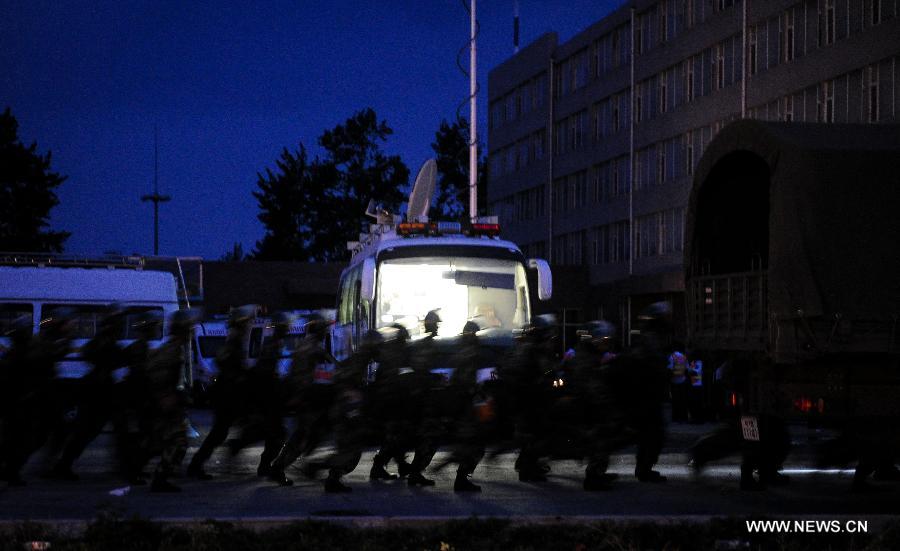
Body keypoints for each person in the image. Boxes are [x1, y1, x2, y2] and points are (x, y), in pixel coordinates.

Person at [51, 305, 129, 481]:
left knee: (89, 432)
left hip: (100, 392)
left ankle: (63, 465)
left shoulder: (102, 341)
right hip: (102, 393)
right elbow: (108, 362)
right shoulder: (106, 343)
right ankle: (63, 466)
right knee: (91, 432)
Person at [2, 309, 74, 486]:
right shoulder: (30, 351)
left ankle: (12, 470)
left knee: (20, 437)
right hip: (29, 400)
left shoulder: (20, 351)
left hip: (26, 400)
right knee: (26, 438)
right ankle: (12, 471)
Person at [187, 305, 256, 480]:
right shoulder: (234, 342)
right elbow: (224, 365)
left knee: (225, 431)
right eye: (247, 323)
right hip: (228, 396)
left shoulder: (236, 341)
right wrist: (239, 377)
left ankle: (228, 451)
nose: (249, 326)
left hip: (231, 395)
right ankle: (196, 465)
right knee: (220, 433)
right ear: (241, 324)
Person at [268, 312, 336, 486]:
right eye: (324, 329)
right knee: (301, 437)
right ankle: (280, 468)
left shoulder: (304, 345)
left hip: (303, 396)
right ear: (319, 330)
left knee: (306, 433)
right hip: (306, 397)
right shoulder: (313, 348)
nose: (326, 332)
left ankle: (287, 466)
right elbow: (332, 365)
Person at [228, 312, 292, 477]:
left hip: (266, 394)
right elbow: (265, 372)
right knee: (277, 433)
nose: (288, 330)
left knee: (269, 431)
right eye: (286, 327)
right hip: (267, 395)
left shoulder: (275, 343)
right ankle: (260, 461)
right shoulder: (273, 344)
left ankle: (243, 446)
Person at [614, 302, 671, 483]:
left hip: (644, 396)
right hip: (647, 397)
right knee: (652, 434)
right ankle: (644, 469)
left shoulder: (647, 340)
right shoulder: (651, 342)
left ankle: (644, 467)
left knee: (648, 434)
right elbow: (652, 369)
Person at [321, 329, 380, 492]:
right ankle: (321, 468)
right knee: (351, 450)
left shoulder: (359, 359)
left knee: (349, 449)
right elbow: (344, 382)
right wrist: (353, 410)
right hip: (345, 411)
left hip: (343, 410)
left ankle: (332, 478)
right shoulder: (359, 360)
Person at [501, 314, 557, 482]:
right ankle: (528, 470)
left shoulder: (522, 346)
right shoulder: (536, 349)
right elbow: (546, 371)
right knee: (536, 434)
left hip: (520, 397)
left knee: (527, 434)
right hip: (532, 398)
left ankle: (525, 464)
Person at [146, 309, 197, 492]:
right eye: (189, 328)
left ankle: (161, 474)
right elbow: (154, 371)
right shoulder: (172, 349)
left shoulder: (177, 348)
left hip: (173, 402)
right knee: (176, 442)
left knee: (174, 441)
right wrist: (164, 395)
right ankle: (160, 477)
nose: (191, 331)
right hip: (167, 403)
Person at [572, 320, 623, 491]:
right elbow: (592, 386)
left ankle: (598, 472)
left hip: (590, 405)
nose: (607, 345)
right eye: (604, 340)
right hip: (590, 408)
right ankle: (594, 477)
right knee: (599, 440)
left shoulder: (589, 355)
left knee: (602, 440)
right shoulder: (587, 359)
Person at [667, 348, 689, 422]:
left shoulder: (672, 356)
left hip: (674, 381)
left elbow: (670, 368)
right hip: (683, 380)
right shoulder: (683, 356)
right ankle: (683, 416)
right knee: (683, 400)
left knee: (675, 400)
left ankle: (676, 417)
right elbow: (687, 368)